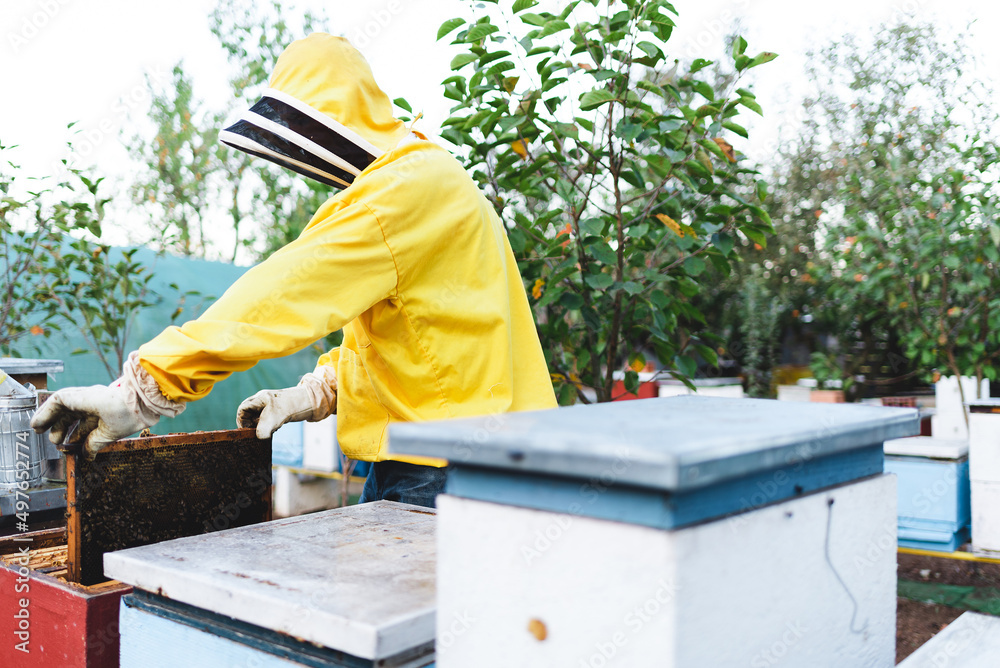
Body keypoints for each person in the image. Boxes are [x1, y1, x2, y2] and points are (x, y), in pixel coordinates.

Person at [31, 33, 557, 508]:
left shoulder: (405, 188)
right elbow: (431, 348)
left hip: (448, 468)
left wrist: (145, 389)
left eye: (301, 127)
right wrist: (315, 392)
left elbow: (286, 291)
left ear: (333, 114)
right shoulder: (431, 181)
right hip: (455, 457)